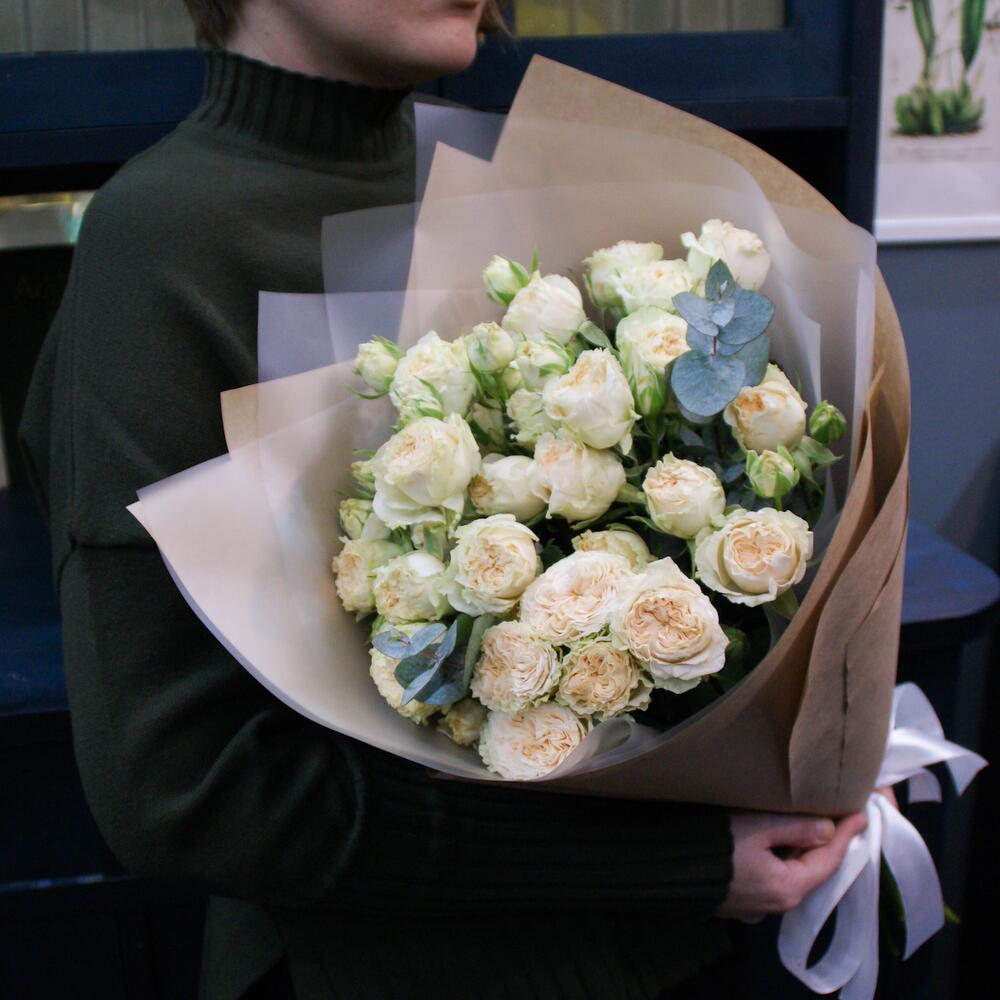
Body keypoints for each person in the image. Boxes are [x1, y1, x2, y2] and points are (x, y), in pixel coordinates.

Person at [19, 2, 869, 997]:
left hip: (662, 951)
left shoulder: (495, 180)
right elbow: (184, 792)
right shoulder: (161, 243)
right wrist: (670, 862)